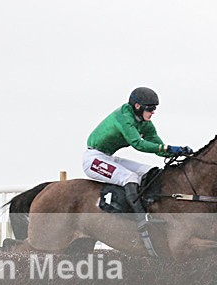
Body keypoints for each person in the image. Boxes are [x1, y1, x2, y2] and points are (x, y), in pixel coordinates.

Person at [83, 87, 193, 227]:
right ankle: (140, 219)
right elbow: (137, 144)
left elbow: (159, 148)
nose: (153, 112)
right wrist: (168, 148)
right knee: (130, 177)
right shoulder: (124, 117)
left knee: (149, 172)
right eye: (150, 108)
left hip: (109, 157)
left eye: (155, 108)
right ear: (137, 106)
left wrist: (178, 151)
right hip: (93, 159)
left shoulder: (145, 124)